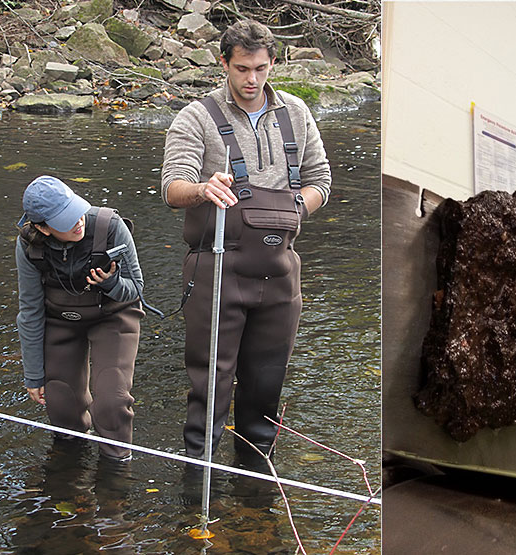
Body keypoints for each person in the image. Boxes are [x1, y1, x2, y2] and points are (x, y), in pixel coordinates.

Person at [161, 19, 331, 462]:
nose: (251, 80)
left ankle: (255, 494)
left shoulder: (296, 112)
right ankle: (198, 480)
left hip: (280, 272)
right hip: (217, 268)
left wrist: (297, 209)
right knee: (211, 382)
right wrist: (203, 189)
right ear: (224, 63)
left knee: (267, 381)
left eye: (259, 68)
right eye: (241, 69)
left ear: (273, 62)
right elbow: (171, 187)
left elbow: (320, 181)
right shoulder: (195, 117)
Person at [15, 175, 145, 461]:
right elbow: (30, 311)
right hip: (60, 319)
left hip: (113, 316)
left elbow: (135, 289)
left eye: (76, 211)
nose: (78, 222)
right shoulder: (29, 246)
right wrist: (33, 374)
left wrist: (109, 282)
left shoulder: (110, 226)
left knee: (112, 403)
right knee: (60, 404)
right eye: (65, 221)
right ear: (42, 228)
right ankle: (70, 473)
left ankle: (116, 473)